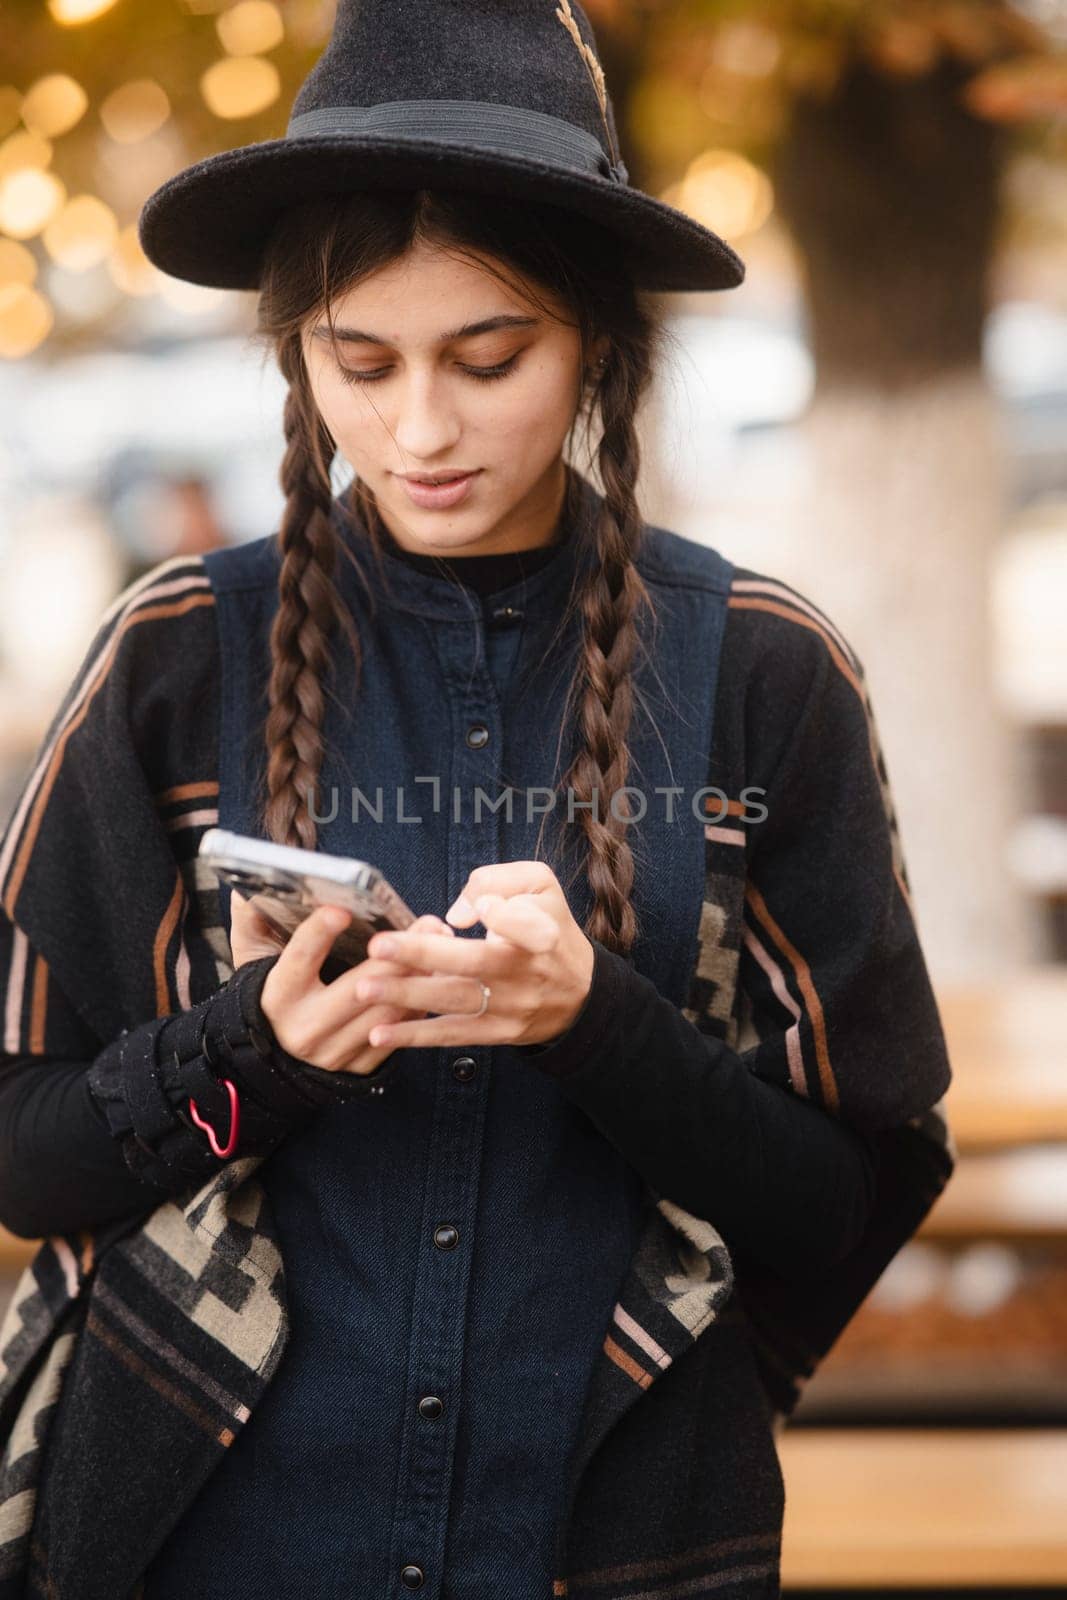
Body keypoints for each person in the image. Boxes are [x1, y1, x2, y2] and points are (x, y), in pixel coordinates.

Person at [0, 2, 956, 1596]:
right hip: (195, 1536)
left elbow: (846, 1197)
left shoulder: (763, 672)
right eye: (357, 363)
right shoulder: (171, 654)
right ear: (295, 350)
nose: (419, 430)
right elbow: (30, 1158)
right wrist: (259, 1057)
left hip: (621, 1533)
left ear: (598, 341)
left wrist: (595, 1020)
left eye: (489, 357)